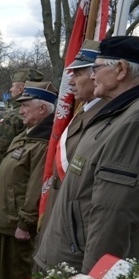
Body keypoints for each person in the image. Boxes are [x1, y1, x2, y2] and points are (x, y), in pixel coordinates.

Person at [34, 36, 139, 274]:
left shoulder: (138, 117)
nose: (92, 75)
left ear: (121, 70)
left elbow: (113, 213)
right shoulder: (119, 112)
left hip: (80, 271)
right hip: (69, 257)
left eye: (96, 68)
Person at [0, 68, 44, 279]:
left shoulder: (19, 121)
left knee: (3, 246)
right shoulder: (26, 127)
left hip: (12, 204)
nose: (11, 90)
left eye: (13, 87)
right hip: (13, 201)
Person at [0, 81, 57, 279]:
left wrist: (25, 223)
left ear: (42, 109)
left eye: (25, 106)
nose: (21, 111)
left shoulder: (43, 143)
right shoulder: (26, 135)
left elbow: (36, 187)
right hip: (6, 222)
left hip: (17, 227)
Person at [39, 40, 106, 234]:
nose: (70, 82)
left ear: (95, 75)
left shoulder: (105, 117)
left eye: (77, 74)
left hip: (74, 228)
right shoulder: (83, 112)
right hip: (61, 218)